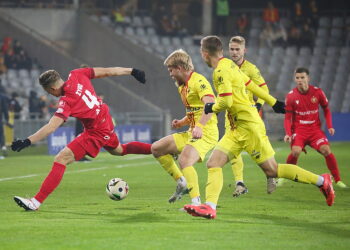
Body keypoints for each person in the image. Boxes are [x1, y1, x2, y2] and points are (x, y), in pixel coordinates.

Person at [183, 36, 335, 219]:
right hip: (235, 129)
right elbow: (250, 84)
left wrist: (211, 107)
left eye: (202, 53)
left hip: (249, 128)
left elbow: (226, 101)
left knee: (272, 170)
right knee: (213, 163)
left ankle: (322, 181)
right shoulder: (230, 65)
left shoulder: (220, 71)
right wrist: (273, 101)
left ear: (205, 54)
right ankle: (210, 207)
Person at [12, 66, 152, 211]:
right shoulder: (76, 74)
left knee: (61, 158)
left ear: (52, 88)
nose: (51, 94)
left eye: (49, 92)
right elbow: (107, 71)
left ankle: (35, 202)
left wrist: (27, 141)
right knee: (119, 150)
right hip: (105, 118)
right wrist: (132, 71)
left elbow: (51, 127)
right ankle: (158, 149)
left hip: (96, 131)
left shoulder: (66, 101)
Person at [151, 49, 218, 205]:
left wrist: (200, 126)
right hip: (192, 132)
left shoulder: (198, 81)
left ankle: (196, 203)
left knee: (185, 160)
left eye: (171, 70)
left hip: (206, 132)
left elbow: (210, 104)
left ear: (180, 68)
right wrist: (181, 122)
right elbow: (195, 110)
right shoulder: (182, 86)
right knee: (157, 148)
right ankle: (181, 181)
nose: (170, 74)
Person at [228, 35, 275, 197]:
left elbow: (264, 89)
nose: (234, 52)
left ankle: (271, 174)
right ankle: (239, 183)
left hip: (248, 116)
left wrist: (259, 105)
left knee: (259, 148)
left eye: (237, 49)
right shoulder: (224, 66)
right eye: (232, 49)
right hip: (232, 116)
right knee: (232, 151)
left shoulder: (251, 69)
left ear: (244, 50)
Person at [283, 67, 347, 188]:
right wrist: (288, 133)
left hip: (315, 131)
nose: (300, 80)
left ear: (308, 78)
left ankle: (338, 180)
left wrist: (330, 126)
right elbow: (287, 118)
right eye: (297, 78)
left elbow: (326, 110)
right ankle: (284, 176)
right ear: (294, 79)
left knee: (326, 150)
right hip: (299, 130)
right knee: (295, 151)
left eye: (302, 77)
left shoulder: (317, 92)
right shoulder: (291, 96)